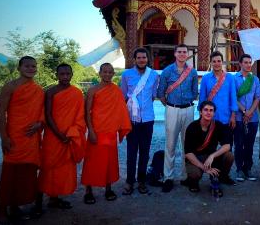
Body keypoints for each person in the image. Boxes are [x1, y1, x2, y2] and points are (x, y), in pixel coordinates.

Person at [0, 56, 44, 223]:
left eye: (33, 66)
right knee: (9, 174)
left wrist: (39, 123)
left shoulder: (38, 89)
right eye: (27, 66)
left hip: (30, 139)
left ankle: (16, 206)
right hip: (14, 137)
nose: (31, 69)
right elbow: (1, 113)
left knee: (26, 174)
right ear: (19, 68)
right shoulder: (10, 87)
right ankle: (2, 211)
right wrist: (4, 137)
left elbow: (41, 112)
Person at [36, 64, 85, 211]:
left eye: (67, 74)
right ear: (56, 75)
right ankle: (38, 203)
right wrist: (59, 134)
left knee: (61, 170)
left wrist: (71, 133)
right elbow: (48, 115)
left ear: (71, 75)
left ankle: (54, 199)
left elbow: (80, 116)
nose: (65, 77)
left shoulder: (76, 93)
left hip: (69, 136)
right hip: (53, 136)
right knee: (47, 168)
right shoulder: (50, 92)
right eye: (62, 74)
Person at [81, 63, 132, 204]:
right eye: (105, 72)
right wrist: (90, 130)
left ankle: (108, 188)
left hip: (110, 132)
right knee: (92, 162)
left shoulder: (116, 90)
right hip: (96, 131)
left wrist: (120, 127)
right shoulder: (92, 90)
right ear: (100, 73)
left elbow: (121, 110)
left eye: (110, 72)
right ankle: (88, 190)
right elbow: (87, 112)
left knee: (109, 161)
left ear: (113, 74)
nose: (108, 74)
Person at [157, 44, 199, 192]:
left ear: (187, 54)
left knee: (187, 144)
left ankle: (185, 176)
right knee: (170, 144)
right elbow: (161, 93)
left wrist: (186, 102)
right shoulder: (167, 71)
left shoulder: (192, 72)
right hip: (172, 109)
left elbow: (195, 92)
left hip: (188, 109)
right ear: (175, 54)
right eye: (179, 52)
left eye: (184, 52)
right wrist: (170, 105)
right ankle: (168, 177)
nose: (182, 54)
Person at [121, 48, 159, 195]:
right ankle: (129, 182)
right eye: (139, 57)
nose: (141, 60)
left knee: (145, 152)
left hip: (148, 119)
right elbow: (124, 96)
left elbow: (153, 95)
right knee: (131, 152)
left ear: (147, 59)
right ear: (134, 59)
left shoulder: (154, 75)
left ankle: (142, 181)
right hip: (132, 119)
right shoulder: (126, 75)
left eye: (144, 57)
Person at [199, 51, 237, 185]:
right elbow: (202, 98)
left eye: (219, 61)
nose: (216, 63)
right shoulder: (205, 79)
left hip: (226, 119)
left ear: (222, 62)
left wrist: (233, 115)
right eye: (214, 61)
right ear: (211, 62)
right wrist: (201, 116)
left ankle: (224, 175)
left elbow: (233, 97)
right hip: (210, 120)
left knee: (227, 149)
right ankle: (213, 175)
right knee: (211, 148)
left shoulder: (230, 78)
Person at [184, 101, 234, 196]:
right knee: (195, 175)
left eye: (211, 110)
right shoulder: (192, 127)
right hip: (195, 158)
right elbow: (188, 153)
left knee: (229, 156)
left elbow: (227, 145)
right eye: (206, 110)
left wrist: (212, 156)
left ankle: (217, 179)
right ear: (200, 112)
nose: (208, 112)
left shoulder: (218, 125)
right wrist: (204, 168)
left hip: (210, 158)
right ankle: (192, 182)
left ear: (214, 113)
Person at [234, 54, 260, 182]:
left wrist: (250, 112)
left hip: (253, 117)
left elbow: (257, 97)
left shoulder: (255, 79)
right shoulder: (234, 79)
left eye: (250, 62)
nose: (248, 65)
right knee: (239, 144)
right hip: (239, 117)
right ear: (240, 64)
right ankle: (239, 169)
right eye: (245, 62)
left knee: (249, 144)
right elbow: (233, 97)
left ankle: (248, 168)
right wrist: (244, 111)